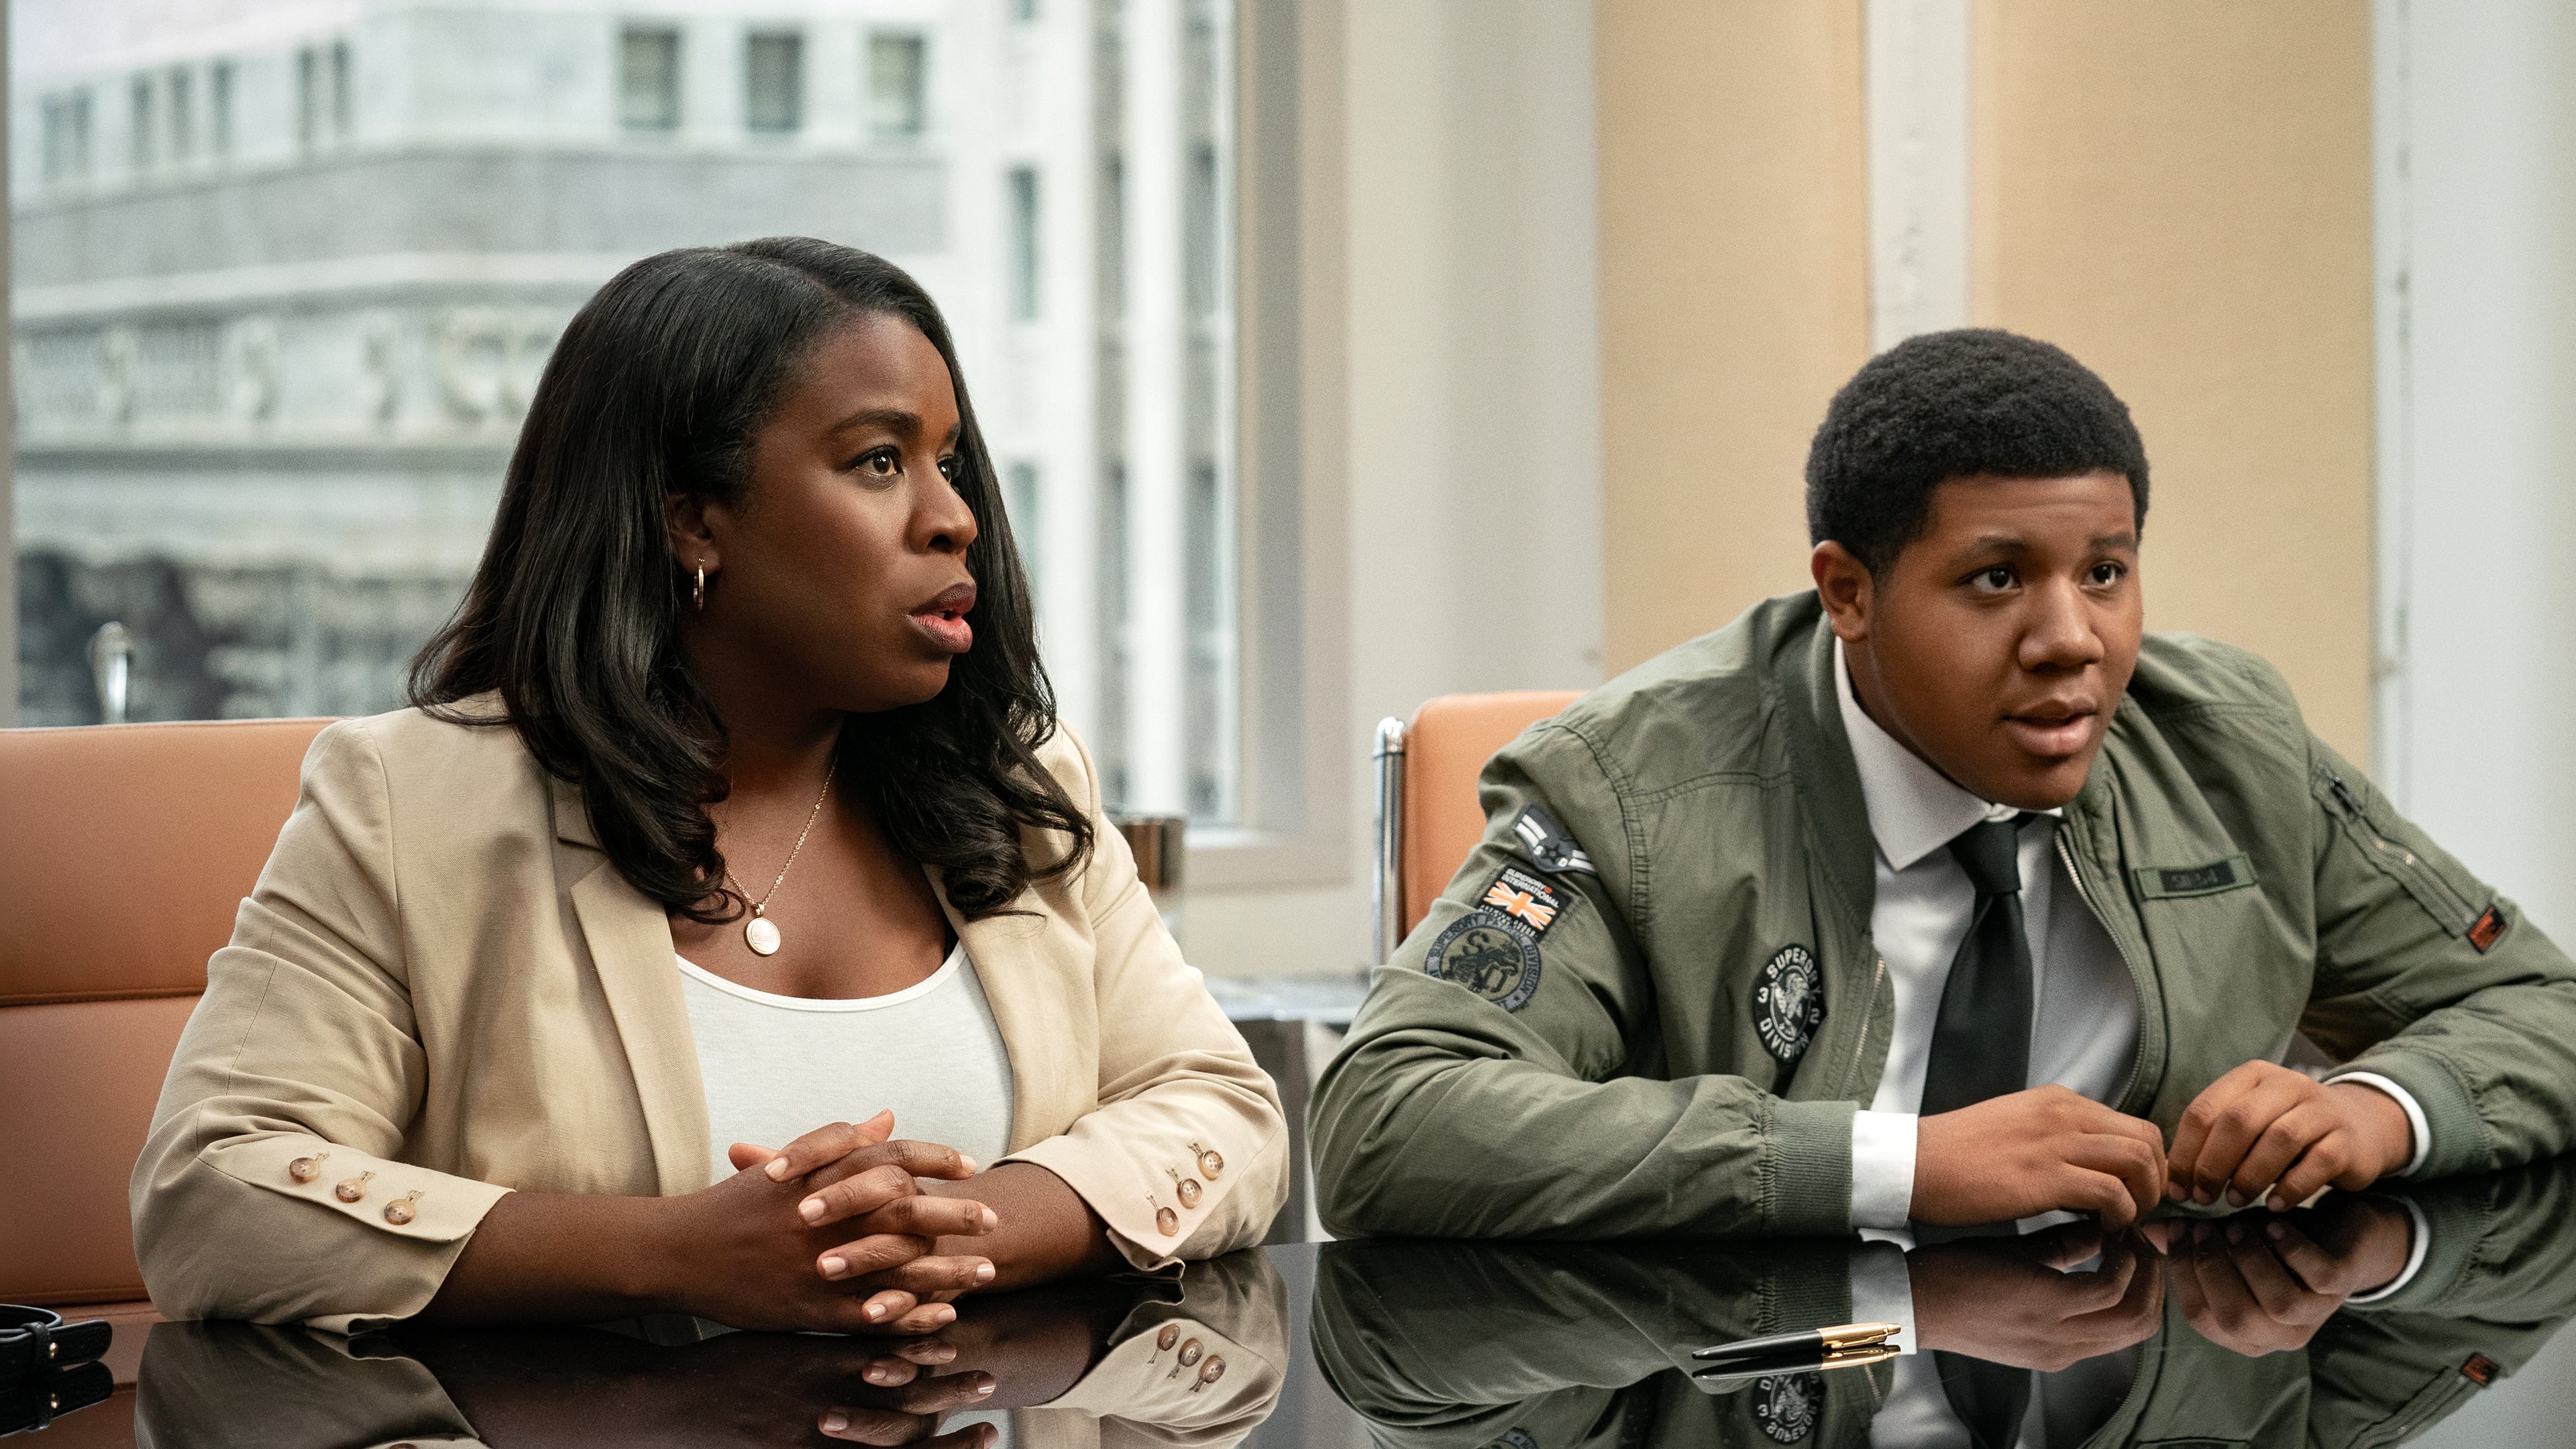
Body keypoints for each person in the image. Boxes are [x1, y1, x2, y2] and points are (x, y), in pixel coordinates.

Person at [131, 237, 1287, 1333]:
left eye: (948, 462)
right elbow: (212, 1193)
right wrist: (674, 1255)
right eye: (879, 462)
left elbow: (1225, 1111)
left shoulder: (1020, 784)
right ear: (692, 518)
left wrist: (970, 1225)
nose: (954, 518)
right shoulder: (410, 801)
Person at [1311, 327, 2576, 1243]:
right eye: (1995, 579)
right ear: (1848, 592)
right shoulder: (1633, 787)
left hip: (2155, 1366)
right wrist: (1893, 1167)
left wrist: (2381, 1106)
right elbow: (1392, 1119)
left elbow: (2539, 1006)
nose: (2071, 640)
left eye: (2105, 572)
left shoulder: (2227, 744)